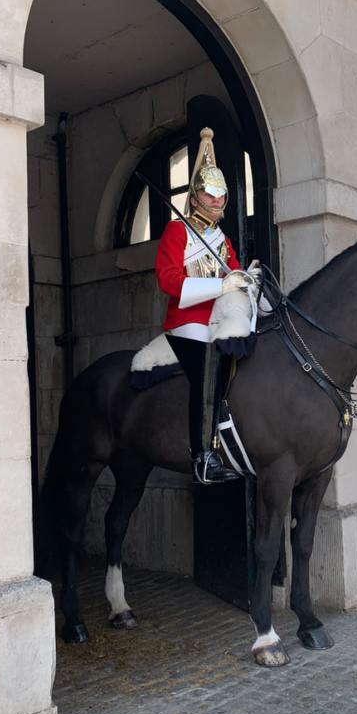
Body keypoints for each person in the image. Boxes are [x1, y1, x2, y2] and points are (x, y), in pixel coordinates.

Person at [155, 127, 253, 484]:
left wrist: (243, 281)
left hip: (218, 317)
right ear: (194, 198)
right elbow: (168, 280)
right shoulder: (177, 232)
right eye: (209, 193)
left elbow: (235, 274)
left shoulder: (223, 239)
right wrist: (219, 284)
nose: (216, 199)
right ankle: (203, 457)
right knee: (209, 364)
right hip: (189, 320)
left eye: (220, 193)